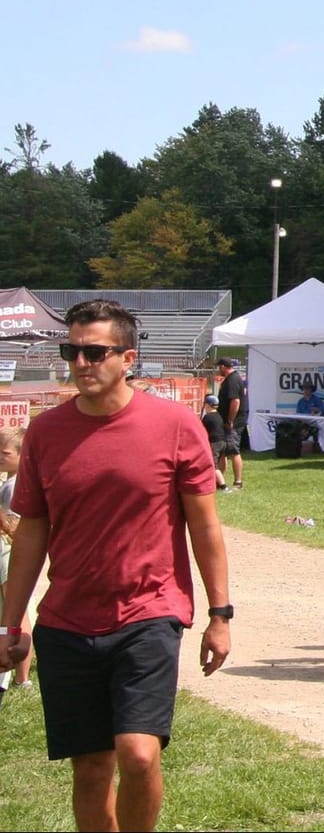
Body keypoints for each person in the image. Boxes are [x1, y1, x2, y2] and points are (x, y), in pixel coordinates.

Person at [1, 299, 233, 833]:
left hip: (148, 613)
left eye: (95, 352)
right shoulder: (45, 433)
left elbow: (204, 527)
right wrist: (10, 625)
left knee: (139, 754)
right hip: (67, 621)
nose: (81, 363)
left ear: (127, 358)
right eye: (72, 352)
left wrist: (220, 615)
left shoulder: (176, 425)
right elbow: (31, 532)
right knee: (90, 768)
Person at [0, 422, 25, 697]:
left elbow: (17, 526)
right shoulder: (9, 483)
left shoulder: (13, 487)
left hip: (8, 553)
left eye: (5, 453)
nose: (0, 457)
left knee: (15, 610)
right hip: (9, 552)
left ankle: (20, 676)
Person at [215, 356, 247, 489]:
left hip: (234, 422)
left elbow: (235, 401)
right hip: (227, 421)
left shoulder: (232, 380)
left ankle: (238, 482)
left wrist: (230, 420)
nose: (218, 369)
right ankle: (220, 481)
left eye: (219, 367)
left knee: (233, 451)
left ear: (223, 366)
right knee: (223, 451)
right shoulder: (232, 378)